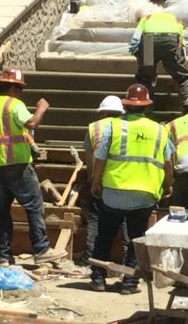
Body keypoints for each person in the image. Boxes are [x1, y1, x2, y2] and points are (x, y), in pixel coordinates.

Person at [90, 84, 174, 294]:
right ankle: (129, 283)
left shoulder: (113, 126)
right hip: (144, 194)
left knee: (105, 236)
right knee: (137, 239)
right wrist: (167, 185)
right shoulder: (159, 130)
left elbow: (99, 157)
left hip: (114, 191)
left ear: (126, 105)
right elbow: (169, 163)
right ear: (146, 107)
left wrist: (96, 181)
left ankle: (98, 278)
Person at [0, 68, 66, 266]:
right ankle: (41, 249)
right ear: (13, 88)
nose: (20, 93)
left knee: (1, 210)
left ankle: (2, 255)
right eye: (19, 89)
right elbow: (32, 123)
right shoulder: (14, 104)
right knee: (34, 206)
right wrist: (42, 107)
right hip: (17, 165)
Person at [82, 95, 125, 263]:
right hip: (119, 180)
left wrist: (92, 180)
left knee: (95, 217)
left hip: (100, 180)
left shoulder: (94, 127)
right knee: (124, 220)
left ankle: (91, 256)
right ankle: (125, 261)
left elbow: (90, 158)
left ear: (103, 112)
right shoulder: (125, 126)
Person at [128, 7, 188, 102]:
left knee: (146, 77)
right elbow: (182, 46)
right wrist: (180, 68)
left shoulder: (147, 18)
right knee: (183, 78)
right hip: (171, 40)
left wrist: (140, 57)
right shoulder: (175, 19)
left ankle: (145, 108)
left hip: (149, 40)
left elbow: (135, 40)